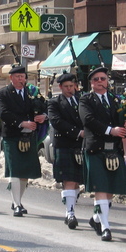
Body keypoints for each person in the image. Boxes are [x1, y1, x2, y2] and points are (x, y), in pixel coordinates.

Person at [78, 67, 126, 241]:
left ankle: (96, 218)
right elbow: (88, 120)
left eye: (103, 79)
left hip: (114, 150)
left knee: (111, 188)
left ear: (107, 81)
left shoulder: (116, 99)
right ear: (91, 83)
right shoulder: (86, 100)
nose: (100, 81)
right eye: (96, 79)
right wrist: (110, 130)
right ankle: (106, 226)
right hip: (95, 149)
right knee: (101, 187)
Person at [0, 65, 47, 217]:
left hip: (29, 136)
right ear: (11, 78)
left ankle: (16, 200)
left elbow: (45, 106)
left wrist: (43, 116)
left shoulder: (31, 92)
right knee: (15, 171)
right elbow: (3, 113)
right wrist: (22, 123)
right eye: (17, 76)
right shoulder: (3, 93)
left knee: (24, 172)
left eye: (22, 76)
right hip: (12, 136)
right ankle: (17, 205)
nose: (20, 79)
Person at [47, 73, 84, 229]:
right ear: (60, 87)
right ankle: (70, 213)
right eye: (67, 87)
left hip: (82, 145)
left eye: (72, 86)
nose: (70, 89)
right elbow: (56, 121)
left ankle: (71, 208)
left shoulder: (83, 101)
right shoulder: (54, 103)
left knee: (75, 181)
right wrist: (77, 132)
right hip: (64, 144)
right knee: (68, 180)